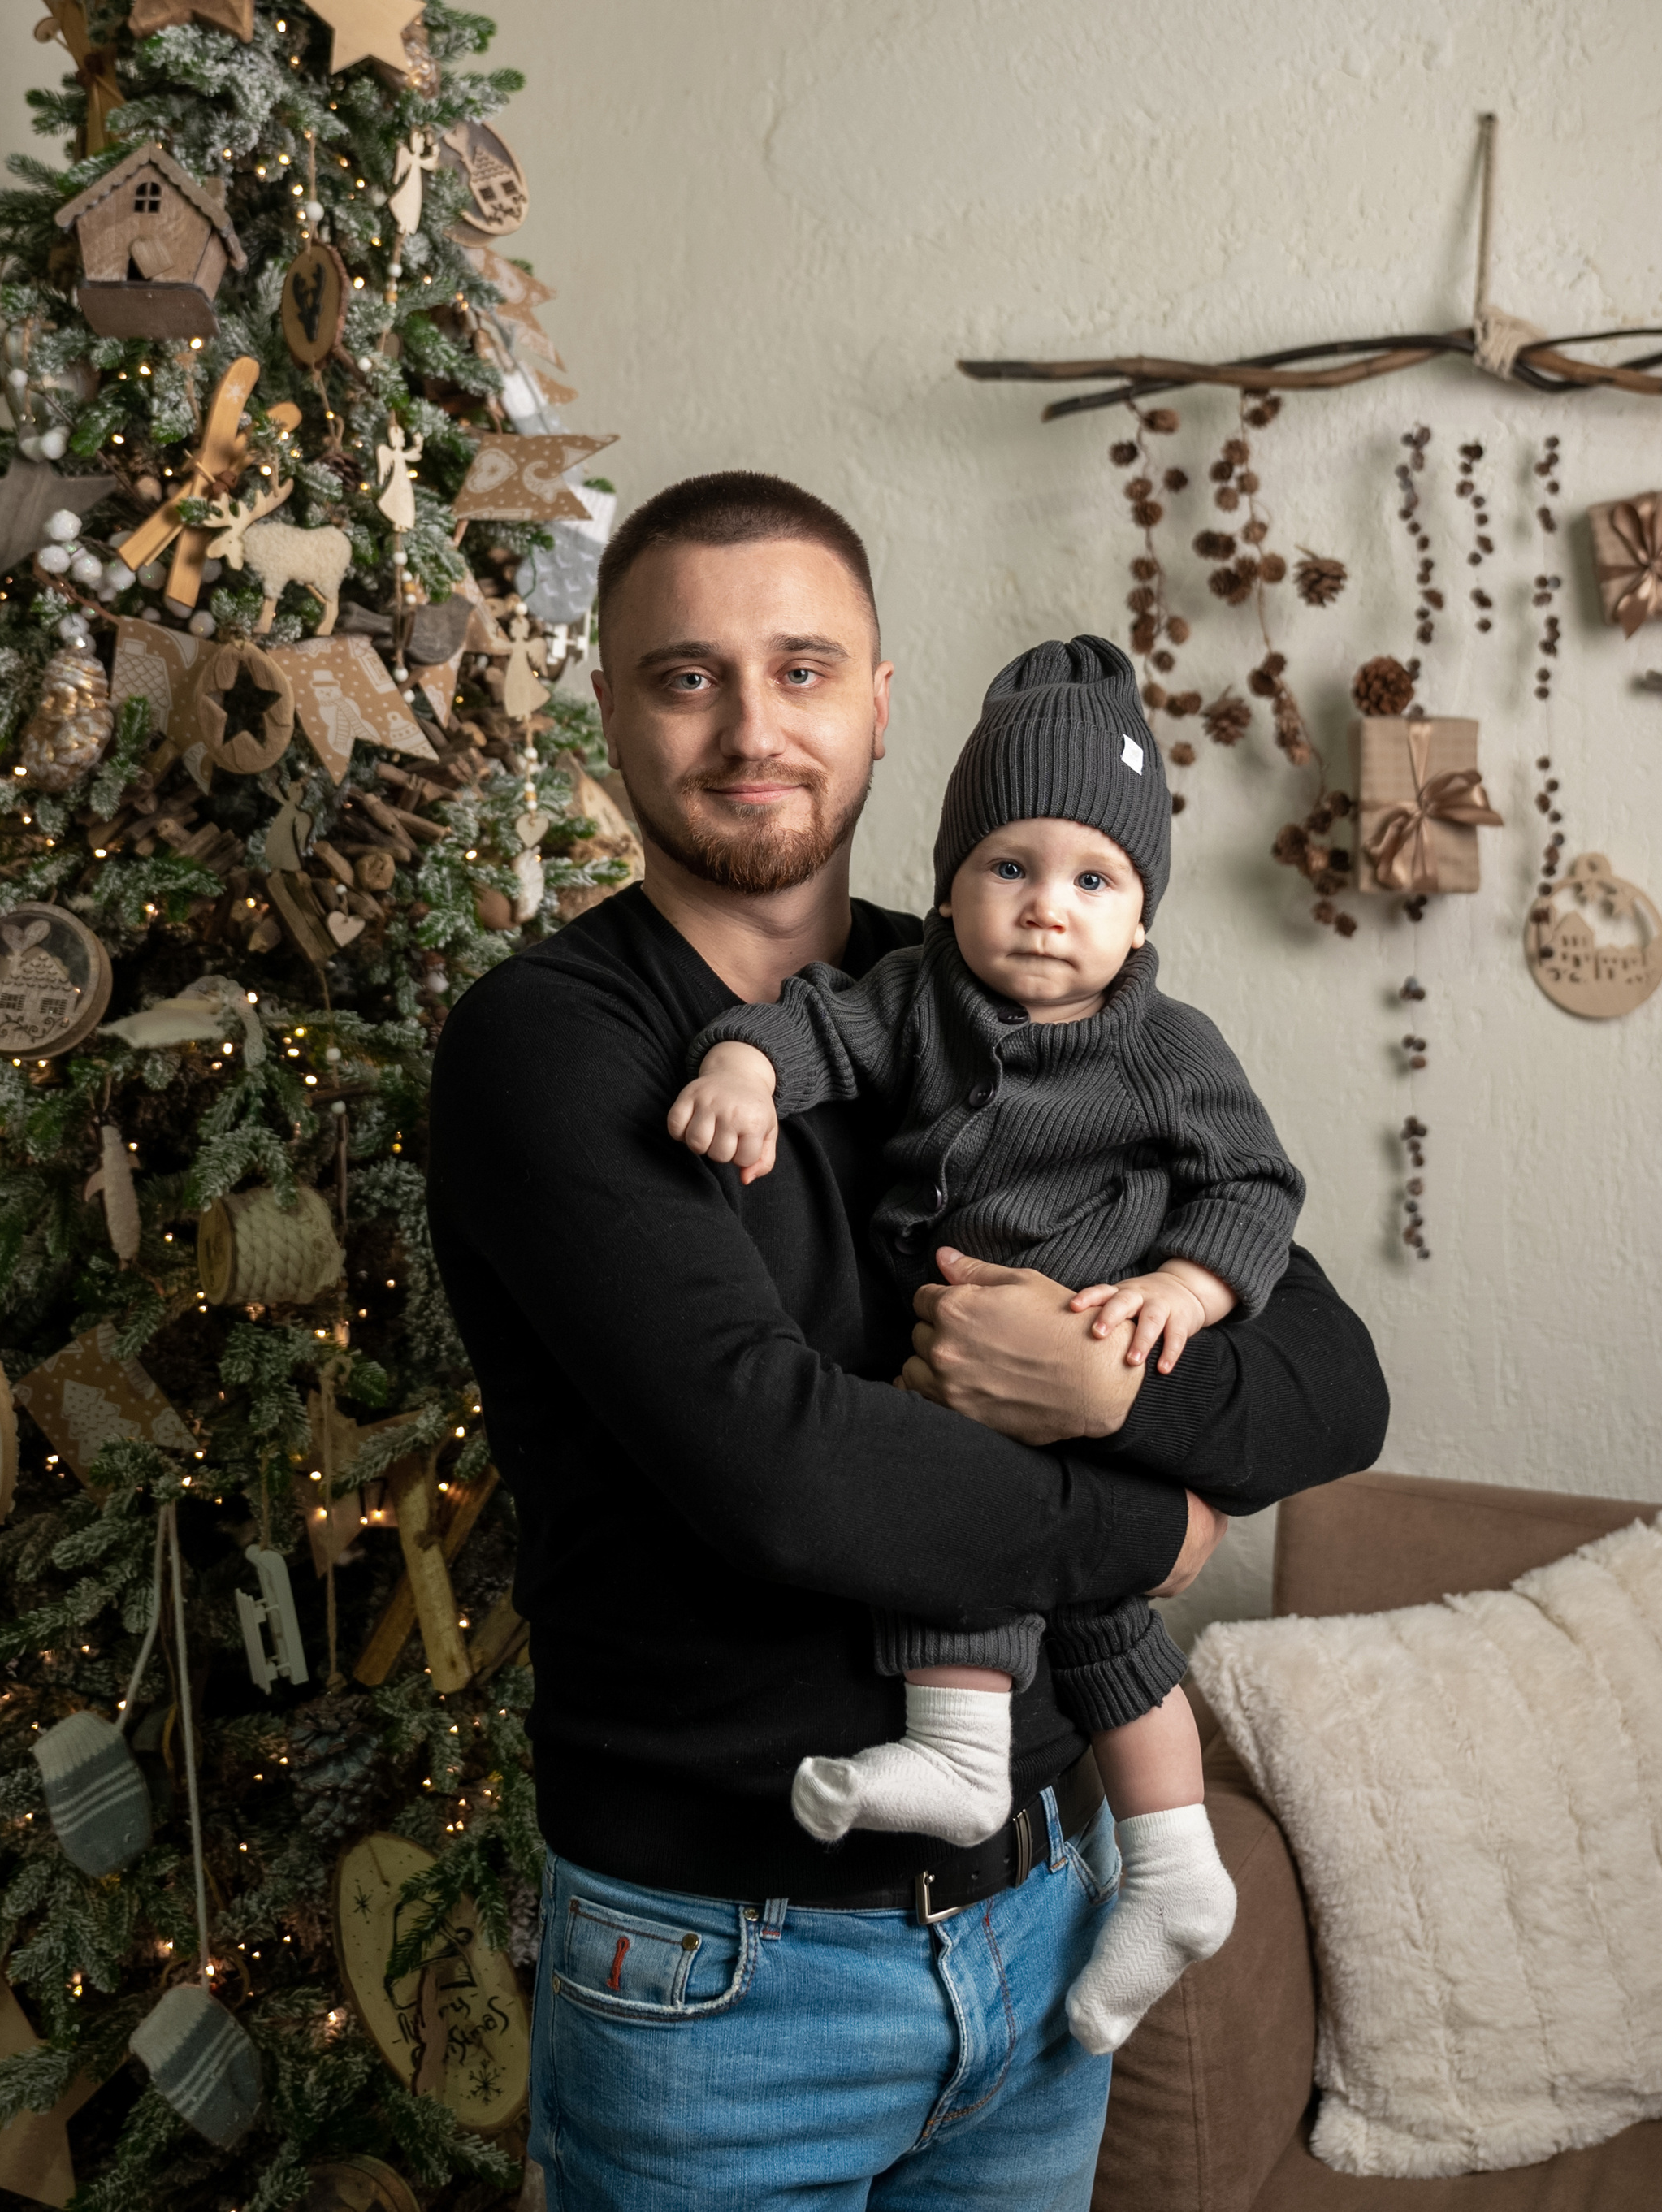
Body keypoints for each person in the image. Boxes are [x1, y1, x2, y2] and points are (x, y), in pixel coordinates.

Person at [427, 472, 1388, 2211]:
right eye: (682, 676)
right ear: (608, 712)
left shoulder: (997, 972)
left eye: (801, 671)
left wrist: (1106, 1380)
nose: (747, 729)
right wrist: (1153, 1523)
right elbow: (784, 1470)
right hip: (723, 1973)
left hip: (1038, 1931)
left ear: (880, 707)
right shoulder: (546, 1048)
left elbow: (1326, 1379)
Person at [665, 632, 1302, 2054]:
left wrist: (1187, 1296)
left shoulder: (1166, 1049)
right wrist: (740, 1071)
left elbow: (1254, 1189)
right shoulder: (917, 997)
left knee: (973, 1516)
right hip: (962, 1366)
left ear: (1142, 919)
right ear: (950, 886)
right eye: (1007, 868)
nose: (1044, 911)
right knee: (1092, 1610)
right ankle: (1179, 1864)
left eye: (1094, 881)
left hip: (1083, 1343)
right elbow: (812, 1026)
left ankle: (963, 1758)